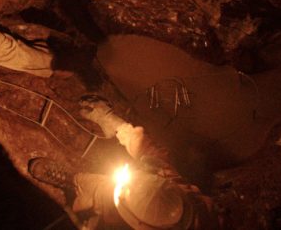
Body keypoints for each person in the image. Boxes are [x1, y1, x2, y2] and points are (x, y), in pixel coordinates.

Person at [28, 96, 219, 229]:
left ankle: (84, 197)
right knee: (100, 187)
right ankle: (76, 181)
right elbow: (151, 154)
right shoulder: (186, 200)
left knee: (100, 211)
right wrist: (114, 122)